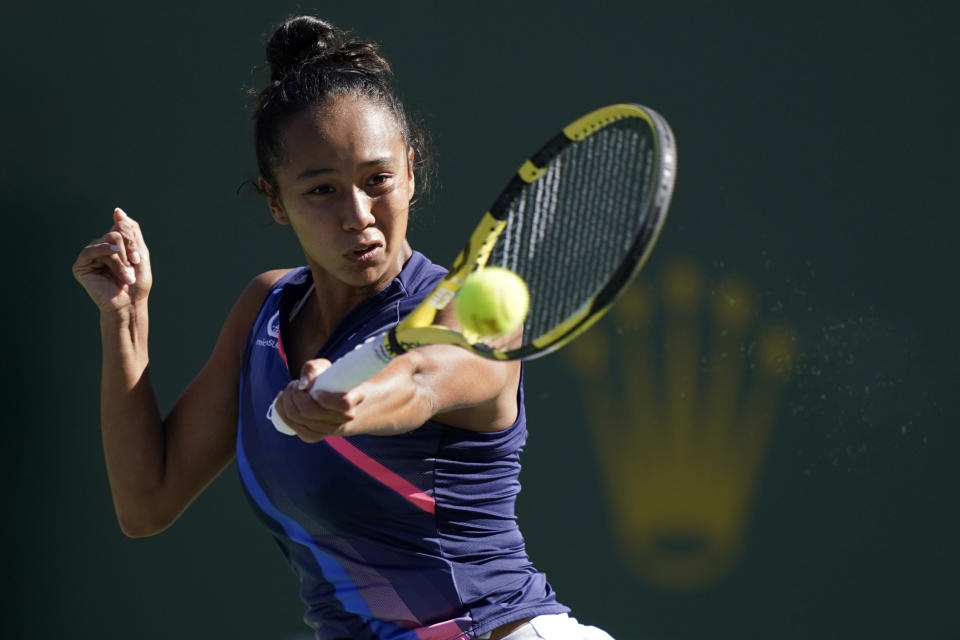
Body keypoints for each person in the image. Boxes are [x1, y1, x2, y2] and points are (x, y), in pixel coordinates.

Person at [72, 15, 614, 640]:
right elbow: (147, 502)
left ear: (411, 171)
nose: (359, 215)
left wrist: (347, 401)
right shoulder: (266, 309)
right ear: (277, 201)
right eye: (322, 190)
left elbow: (419, 380)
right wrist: (125, 317)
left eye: (377, 180)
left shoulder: (469, 311)